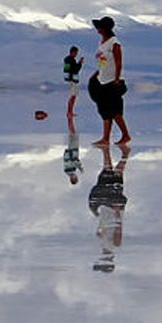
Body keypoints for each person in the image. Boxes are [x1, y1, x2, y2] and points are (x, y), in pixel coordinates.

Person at [87, 16, 129, 146]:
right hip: (102, 80)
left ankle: (125, 135)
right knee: (105, 111)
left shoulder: (114, 43)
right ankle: (105, 138)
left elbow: (118, 62)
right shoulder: (102, 43)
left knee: (115, 111)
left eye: (100, 28)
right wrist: (97, 73)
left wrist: (117, 79)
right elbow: (103, 62)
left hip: (112, 81)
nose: (98, 30)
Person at [88, 143, 129, 272]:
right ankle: (122, 154)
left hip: (106, 212)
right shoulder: (114, 246)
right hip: (113, 209)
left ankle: (108, 152)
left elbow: (102, 231)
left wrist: (99, 229)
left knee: (107, 177)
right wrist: (117, 213)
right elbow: (118, 229)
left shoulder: (104, 245)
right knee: (115, 177)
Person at [63, 46, 85, 118]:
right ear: (73, 52)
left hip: (69, 79)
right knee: (73, 96)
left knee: (73, 96)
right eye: (76, 53)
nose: (76, 54)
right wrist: (80, 63)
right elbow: (76, 70)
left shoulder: (66, 59)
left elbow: (66, 70)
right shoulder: (71, 60)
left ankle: (70, 111)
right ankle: (69, 112)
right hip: (73, 80)